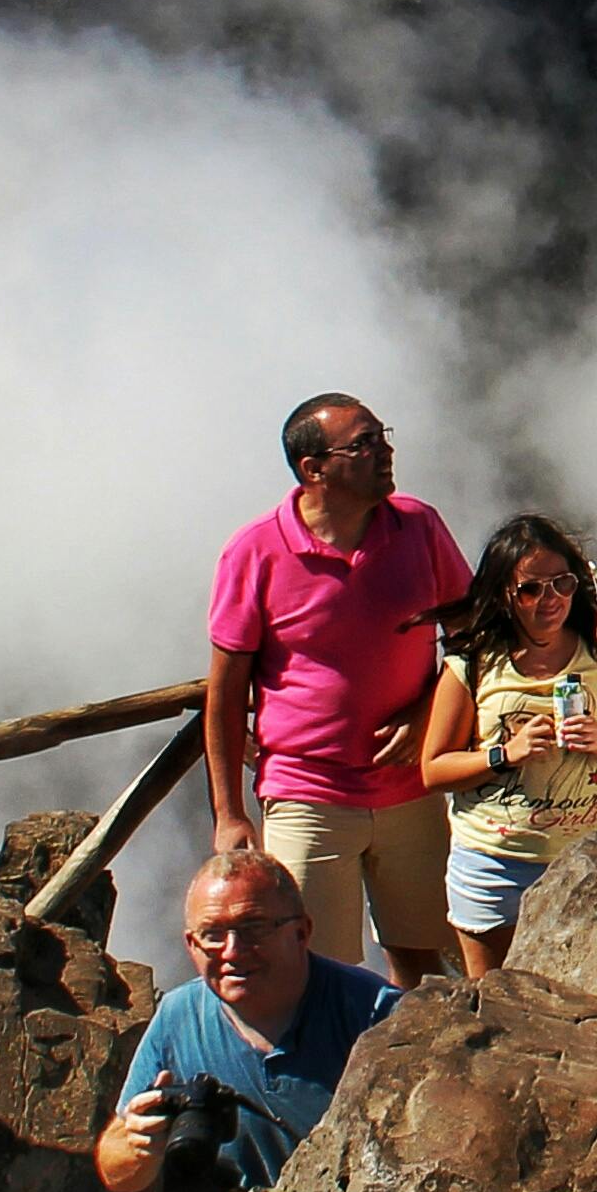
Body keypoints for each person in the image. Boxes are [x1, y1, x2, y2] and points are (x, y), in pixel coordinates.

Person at [208, 390, 474, 983]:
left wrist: (430, 711)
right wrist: (229, 813)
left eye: (383, 436)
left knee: (425, 960)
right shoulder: (255, 551)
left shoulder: (418, 525)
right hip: (307, 791)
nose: (386, 452)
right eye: (364, 444)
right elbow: (225, 694)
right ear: (314, 469)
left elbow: (472, 633)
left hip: (412, 788)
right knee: (310, 972)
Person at [93, 848, 395, 1192]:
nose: (232, 951)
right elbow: (117, 1173)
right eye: (213, 934)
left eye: (253, 928)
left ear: (302, 932)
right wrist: (139, 1143)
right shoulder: (178, 1018)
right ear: (192, 944)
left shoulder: (376, 1014)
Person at [414, 513, 597, 974]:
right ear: (504, 596)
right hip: (494, 866)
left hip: (589, 863)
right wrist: (503, 754)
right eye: (531, 590)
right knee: (496, 1010)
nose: (549, 600)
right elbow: (433, 769)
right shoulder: (472, 662)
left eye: (562, 584)